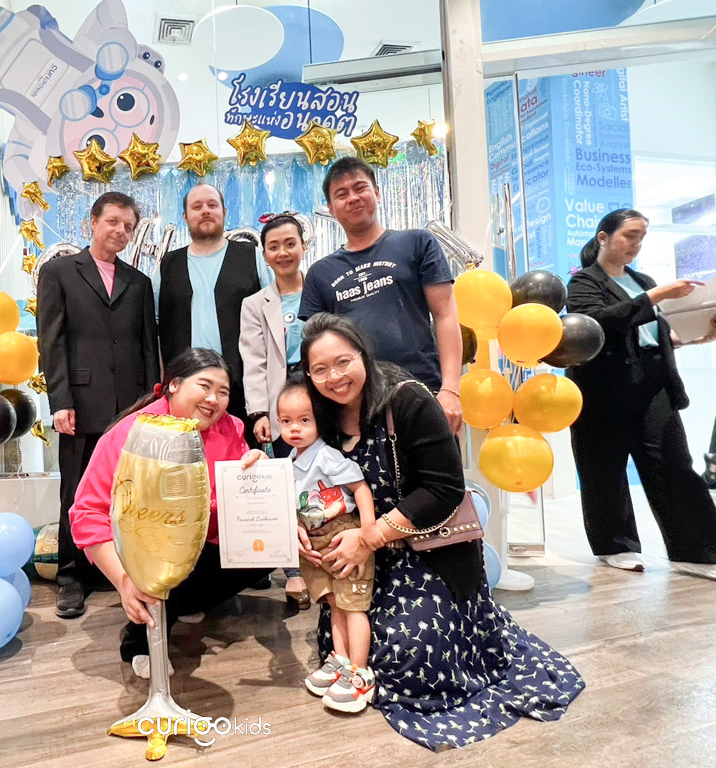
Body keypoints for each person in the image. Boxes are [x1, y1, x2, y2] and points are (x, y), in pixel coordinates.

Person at [300, 312, 583, 749]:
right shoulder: (322, 414)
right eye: (319, 369)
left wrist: (370, 537)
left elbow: (444, 488)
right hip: (363, 562)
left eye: (343, 362)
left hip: (426, 551)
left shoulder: (407, 400)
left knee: (407, 654)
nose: (334, 377)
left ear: (363, 354)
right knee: (343, 638)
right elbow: (298, 466)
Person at [68, 348, 271, 678]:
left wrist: (258, 472)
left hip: (201, 544)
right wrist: (123, 581)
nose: (214, 399)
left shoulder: (230, 427)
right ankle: (140, 639)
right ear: (173, 385)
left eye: (223, 392)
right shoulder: (132, 433)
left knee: (268, 548)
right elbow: (88, 512)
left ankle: (183, 601)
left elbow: (238, 497)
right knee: (163, 560)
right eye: (204, 386)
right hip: (144, 551)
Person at [566, 208, 716, 578]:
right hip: (603, 388)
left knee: (674, 464)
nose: (636, 244)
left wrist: (697, 336)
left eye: (641, 237)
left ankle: (698, 551)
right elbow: (600, 322)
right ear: (603, 238)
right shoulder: (584, 282)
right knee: (604, 468)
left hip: (653, 384)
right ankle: (615, 545)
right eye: (629, 235)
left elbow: (653, 333)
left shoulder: (641, 280)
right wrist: (654, 296)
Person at [38, 191, 160, 619]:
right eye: (112, 222)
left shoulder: (139, 283)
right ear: (92, 222)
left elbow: (147, 347)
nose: (120, 231)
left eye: (128, 226)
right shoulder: (59, 272)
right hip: (81, 402)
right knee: (76, 492)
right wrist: (60, 401)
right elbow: (52, 340)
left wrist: (151, 405)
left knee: (127, 491)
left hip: (130, 406)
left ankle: (120, 568)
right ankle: (72, 576)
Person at [300, 156, 463, 434]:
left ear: (376, 193)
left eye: (360, 188)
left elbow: (445, 315)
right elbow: (316, 346)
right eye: (341, 194)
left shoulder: (417, 243)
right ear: (331, 209)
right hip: (355, 404)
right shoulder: (319, 273)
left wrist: (450, 389)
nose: (353, 198)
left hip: (423, 389)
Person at [276, 377, 377, 713]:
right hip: (315, 541)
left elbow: (360, 488)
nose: (294, 429)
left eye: (304, 420)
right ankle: (342, 661)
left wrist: (367, 531)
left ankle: (360, 673)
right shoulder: (291, 462)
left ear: (319, 419)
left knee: (353, 605)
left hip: (342, 532)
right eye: (286, 421)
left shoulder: (327, 456)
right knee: (334, 603)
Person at [154, 184, 273, 427]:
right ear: (186, 216)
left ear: (224, 212)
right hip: (184, 392)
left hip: (243, 389)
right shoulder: (167, 265)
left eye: (212, 205)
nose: (205, 211)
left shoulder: (252, 256)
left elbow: (272, 320)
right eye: (197, 207)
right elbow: (154, 328)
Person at [239, 213, 309, 608]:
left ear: (303, 246)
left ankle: (330, 561)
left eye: (290, 243)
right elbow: (254, 361)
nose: (283, 252)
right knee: (286, 487)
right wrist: (258, 413)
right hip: (281, 401)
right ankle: (294, 571)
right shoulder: (255, 304)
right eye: (274, 246)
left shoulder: (321, 291)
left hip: (323, 396)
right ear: (265, 254)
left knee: (329, 480)